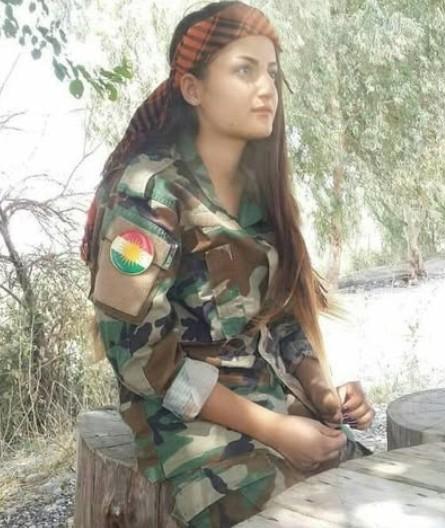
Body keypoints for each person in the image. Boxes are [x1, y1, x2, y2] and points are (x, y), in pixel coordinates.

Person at [81, 2, 375, 526]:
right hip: (194, 430)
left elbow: (279, 319)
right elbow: (141, 360)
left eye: (272, 72)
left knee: (382, 497)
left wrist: (322, 390)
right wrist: (276, 430)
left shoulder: (259, 192)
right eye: (245, 70)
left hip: (275, 404)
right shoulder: (147, 193)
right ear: (192, 89)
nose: (267, 89)